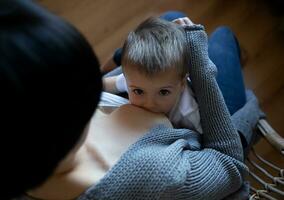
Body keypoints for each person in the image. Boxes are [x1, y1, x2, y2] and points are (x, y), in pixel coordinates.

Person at [1, 1, 264, 199]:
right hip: (212, 140)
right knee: (221, 39)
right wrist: (200, 66)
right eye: (81, 85)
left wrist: (127, 66)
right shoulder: (150, 177)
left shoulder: (32, 111)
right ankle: (234, 50)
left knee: (170, 20)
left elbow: (113, 80)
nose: (92, 88)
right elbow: (230, 164)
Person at [103, 17, 203, 133]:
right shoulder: (138, 80)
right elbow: (106, 84)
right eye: (139, 92)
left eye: (163, 92)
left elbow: (204, 142)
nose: (150, 104)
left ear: (182, 84)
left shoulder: (189, 114)